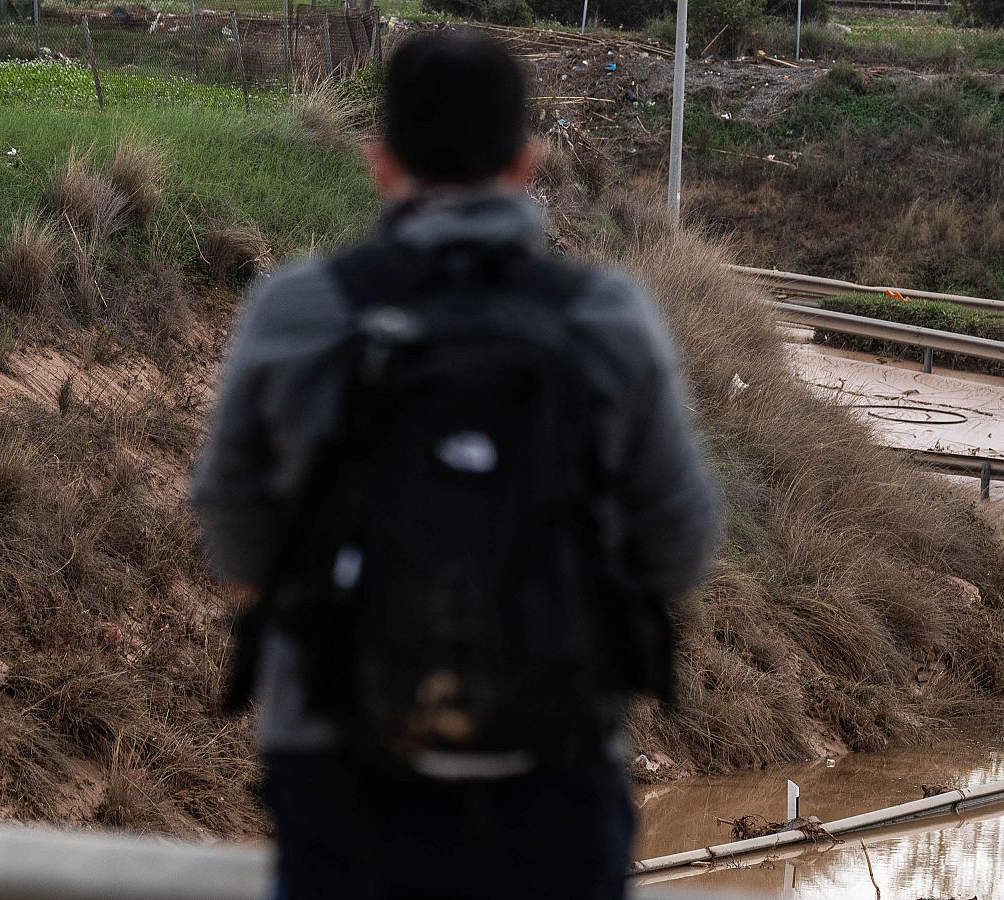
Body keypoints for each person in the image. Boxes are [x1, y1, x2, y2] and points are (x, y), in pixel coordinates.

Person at [191, 31, 720, 900]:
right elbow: (683, 544)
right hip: (553, 774)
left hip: (342, 771)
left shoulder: (298, 311)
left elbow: (233, 525)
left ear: (380, 162)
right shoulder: (605, 318)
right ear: (528, 162)